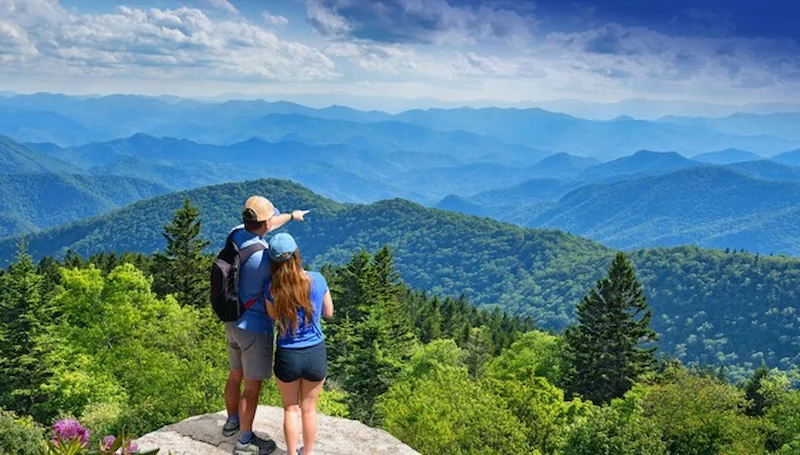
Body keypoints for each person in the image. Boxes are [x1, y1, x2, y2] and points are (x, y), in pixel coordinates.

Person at [223, 196, 309, 455]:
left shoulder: (236, 235)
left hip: (232, 320)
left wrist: (292, 215)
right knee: (252, 386)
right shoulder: (265, 259)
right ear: (265, 222)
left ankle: (232, 422)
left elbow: (269, 225)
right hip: (255, 327)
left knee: (234, 375)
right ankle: (245, 442)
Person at [264, 233, 334, 455]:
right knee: (309, 409)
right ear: (296, 255)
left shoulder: (272, 288)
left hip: (287, 354)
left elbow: (273, 315)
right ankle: (307, 452)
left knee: (290, 409)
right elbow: (329, 312)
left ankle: (291, 452)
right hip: (315, 352)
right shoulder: (318, 279)